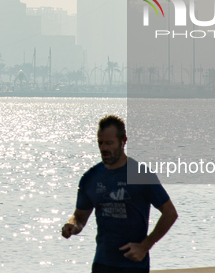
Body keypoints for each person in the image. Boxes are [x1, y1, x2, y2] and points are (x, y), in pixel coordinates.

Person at [62, 115, 177, 273]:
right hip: (102, 263)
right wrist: (72, 225)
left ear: (123, 141)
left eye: (109, 143)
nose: (104, 148)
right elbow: (80, 217)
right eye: (100, 143)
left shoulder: (140, 174)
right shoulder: (90, 177)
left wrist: (145, 246)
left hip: (133, 265)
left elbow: (170, 213)